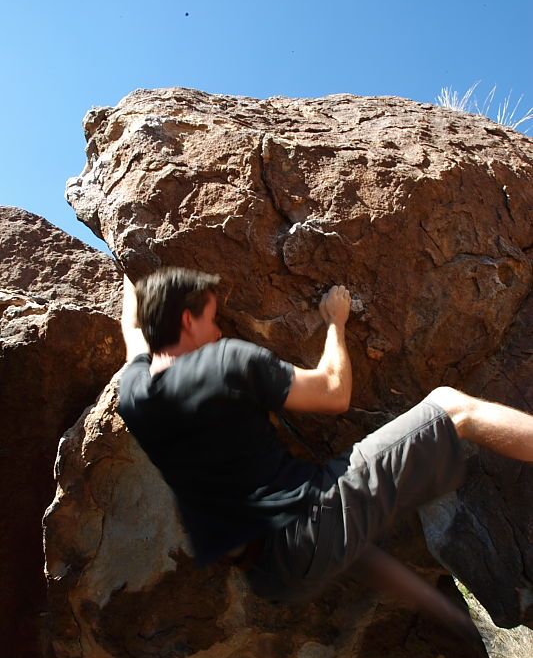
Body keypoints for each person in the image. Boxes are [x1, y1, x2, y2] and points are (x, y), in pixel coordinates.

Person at [118, 266, 533, 634]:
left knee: (357, 544)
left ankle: (448, 617)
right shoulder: (224, 361)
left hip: (269, 578)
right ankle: (446, 611)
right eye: (211, 320)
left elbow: (131, 330)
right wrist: (336, 322)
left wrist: (129, 270)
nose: (219, 332)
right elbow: (335, 394)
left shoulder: (134, 394)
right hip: (308, 529)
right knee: (452, 408)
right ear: (187, 320)